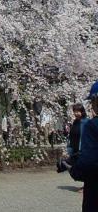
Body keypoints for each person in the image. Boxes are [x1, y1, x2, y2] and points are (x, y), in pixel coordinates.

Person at [70, 81, 98, 212]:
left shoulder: (92, 125)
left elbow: (88, 163)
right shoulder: (76, 124)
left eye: (92, 101)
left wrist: (72, 169)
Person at [57, 103, 88, 173]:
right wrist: (69, 147)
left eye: (78, 111)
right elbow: (71, 136)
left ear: (82, 112)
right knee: (77, 168)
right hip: (74, 149)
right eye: (75, 111)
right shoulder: (75, 122)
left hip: (83, 149)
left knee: (82, 168)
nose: (76, 113)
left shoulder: (86, 122)